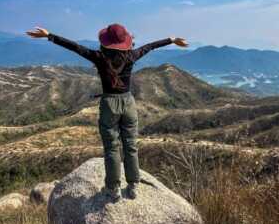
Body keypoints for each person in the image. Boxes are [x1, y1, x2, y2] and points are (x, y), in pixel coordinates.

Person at [26, 24, 189, 201]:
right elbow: (150, 46)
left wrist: (49, 35)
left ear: (105, 42)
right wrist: (171, 40)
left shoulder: (99, 57)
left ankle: (113, 189)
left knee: (111, 148)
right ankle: (133, 186)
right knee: (131, 145)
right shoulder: (131, 56)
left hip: (109, 104)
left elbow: (75, 47)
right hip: (128, 103)